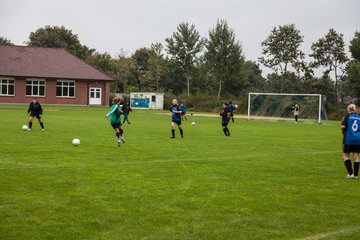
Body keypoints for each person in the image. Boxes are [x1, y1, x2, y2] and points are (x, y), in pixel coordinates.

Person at [341, 104, 360, 179]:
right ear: (355, 109)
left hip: (348, 138)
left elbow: (343, 126)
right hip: (358, 139)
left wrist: (343, 132)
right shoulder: (359, 117)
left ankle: (350, 174)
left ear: (348, 109)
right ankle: (356, 175)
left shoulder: (347, 116)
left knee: (346, 155)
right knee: (356, 156)